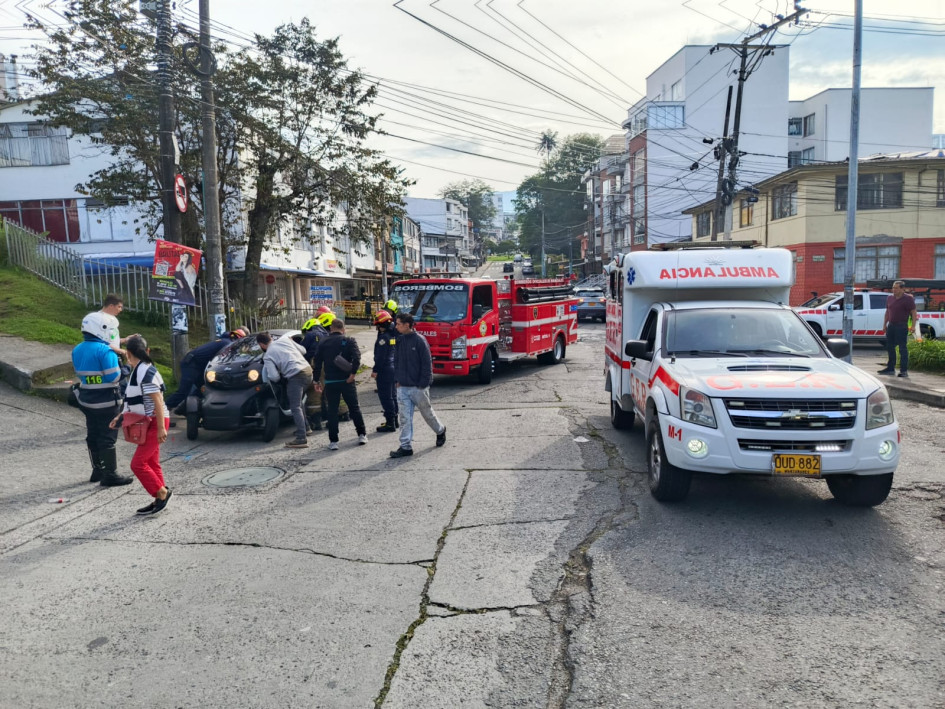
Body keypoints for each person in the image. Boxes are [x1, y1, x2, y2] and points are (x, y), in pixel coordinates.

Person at [110, 336, 172, 515]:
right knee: (151, 461)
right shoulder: (141, 371)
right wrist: (121, 416)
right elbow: (133, 401)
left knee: (138, 464)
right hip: (151, 421)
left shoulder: (145, 373)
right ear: (148, 351)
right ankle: (159, 496)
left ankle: (161, 493)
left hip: (155, 422)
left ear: (128, 354)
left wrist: (161, 428)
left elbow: (158, 402)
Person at [72, 312, 133, 486]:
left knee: (93, 434)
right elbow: (114, 377)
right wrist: (127, 367)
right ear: (102, 329)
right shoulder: (105, 351)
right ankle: (110, 475)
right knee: (107, 437)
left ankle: (97, 470)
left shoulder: (77, 349)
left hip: (86, 400)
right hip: (107, 401)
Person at [390, 312, 446, 458]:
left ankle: (440, 431)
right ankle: (405, 446)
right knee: (404, 418)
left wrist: (423, 383)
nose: (396, 326)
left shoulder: (420, 341)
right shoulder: (400, 340)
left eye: (399, 324)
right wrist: (397, 380)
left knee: (427, 413)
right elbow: (396, 360)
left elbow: (427, 363)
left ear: (407, 325)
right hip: (403, 386)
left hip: (418, 387)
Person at [312, 319, 368, 451]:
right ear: (343, 329)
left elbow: (317, 362)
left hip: (331, 381)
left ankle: (333, 441)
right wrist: (353, 374)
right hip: (347, 380)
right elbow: (357, 357)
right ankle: (361, 434)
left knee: (332, 410)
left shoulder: (323, 342)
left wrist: (316, 381)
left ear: (331, 329)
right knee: (354, 408)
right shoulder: (349, 340)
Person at [164, 328, 247, 412]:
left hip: (197, 365)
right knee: (184, 391)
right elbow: (225, 361)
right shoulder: (227, 344)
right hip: (191, 364)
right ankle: (163, 410)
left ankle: (184, 409)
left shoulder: (224, 341)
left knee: (204, 388)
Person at [257, 331, 314, 449]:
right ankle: (306, 427)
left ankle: (301, 438)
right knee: (298, 403)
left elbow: (274, 377)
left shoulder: (268, 355)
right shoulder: (285, 340)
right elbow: (303, 350)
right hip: (308, 371)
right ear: (270, 338)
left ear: (261, 345)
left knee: (295, 406)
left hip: (295, 376)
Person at [879, 280, 922, 378]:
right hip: (891, 325)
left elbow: (914, 313)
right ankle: (890, 368)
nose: (894, 290)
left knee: (902, 348)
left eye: (896, 288)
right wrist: (884, 325)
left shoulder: (908, 299)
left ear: (903, 289)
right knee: (890, 347)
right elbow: (887, 312)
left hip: (901, 326)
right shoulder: (890, 298)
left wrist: (913, 326)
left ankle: (904, 371)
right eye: (893, 288)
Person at [371, 310, 399, 432]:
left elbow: (380, 357)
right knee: (393, 395)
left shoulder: (383, 339)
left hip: (384, 370)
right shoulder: (393, 335)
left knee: (386, 397)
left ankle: (390, 423)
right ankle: (395, 420)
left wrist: (375, 370)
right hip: (393, 368)